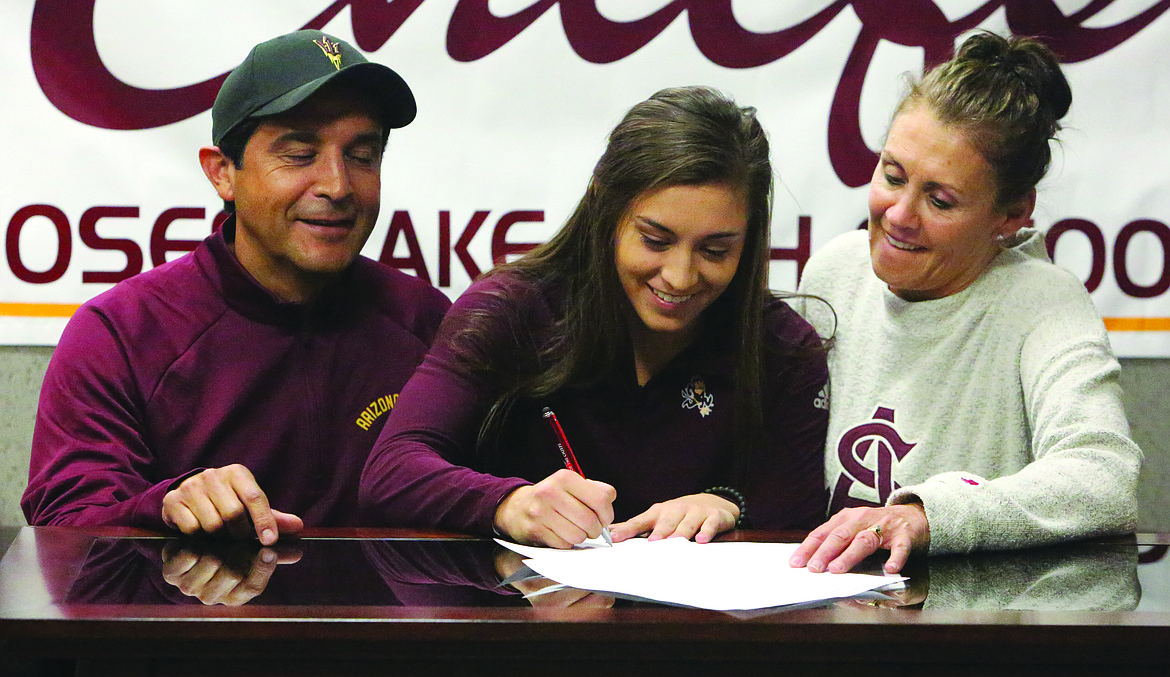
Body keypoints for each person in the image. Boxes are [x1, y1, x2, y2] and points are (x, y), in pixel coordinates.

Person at [22, 30, 451, 544]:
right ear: (223, 173)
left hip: (391, 627)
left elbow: (494, 493)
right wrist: (167, 505)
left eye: (363, 155)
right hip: (194, 624)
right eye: (298, 153)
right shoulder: (120, 333)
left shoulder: (426, 321)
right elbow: (61, 531)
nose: (337, 186)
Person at [359, 86, 829, 547]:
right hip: (524, 615)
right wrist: (509, 504)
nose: (681, 276)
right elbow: (392, 470)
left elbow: (800, 530)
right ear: (604, 206)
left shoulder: (783, 348)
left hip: (708, 624)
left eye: (715, 250)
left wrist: (727, 507)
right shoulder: (513, 308)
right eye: (655, 240)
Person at [789, 31, 1142, 574]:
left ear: (1011, 215)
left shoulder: (1045, 303)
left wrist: (928, 516)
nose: (899, 215)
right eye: (892, 175)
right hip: (829, 610)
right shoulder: (834, 271)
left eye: (940, 199)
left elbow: (1103, 475)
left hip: (967, 629)